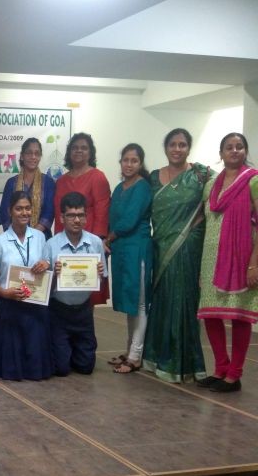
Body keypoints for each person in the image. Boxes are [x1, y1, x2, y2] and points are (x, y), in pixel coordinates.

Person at [142, 128, 211, 383]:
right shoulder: (153, 178)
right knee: (162, 300)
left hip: (188, 246)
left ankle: (184, 363)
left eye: (182, 145)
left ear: (188, 148)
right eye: (173, 144)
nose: (177, 149)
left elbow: (220, 198)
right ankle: (157, 358)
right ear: (166, 147)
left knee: (183, 302)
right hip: (161, 246)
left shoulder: (201, 175)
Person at [196, 133, 258, 393]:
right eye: (229, 147)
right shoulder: (211, 185)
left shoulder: (253, 180)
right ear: (220, 153)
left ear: (245, 151)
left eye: (239, 147)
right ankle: (221, 368)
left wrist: (254, 263)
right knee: (211, 314)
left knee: (239, 315)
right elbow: (205, 221)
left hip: (242, 258)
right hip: (211, 257)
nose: (235, 151)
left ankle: (235, 374)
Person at [0, 191, 52, 381]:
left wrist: (46, 264)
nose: (24, 212)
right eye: (19, 208)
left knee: (36, 369)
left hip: (35, 303)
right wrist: (5, 293)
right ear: (10, 211)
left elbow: (47, 266)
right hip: (9, 305)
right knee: (10, 369)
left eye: (27, 208)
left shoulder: (40, 237)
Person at [44, 192, 107, 376]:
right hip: (59, 311)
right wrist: (55, 275)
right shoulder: (51, 245)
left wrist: (100, 275)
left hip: (83, 311)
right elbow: (44, 287)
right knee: (61, 369)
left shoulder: (95, 243)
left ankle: (72, 347)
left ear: (86, 217)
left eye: (81, 215)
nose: (76, 220)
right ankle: (63, 346)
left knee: (86, 368)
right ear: (62, 218)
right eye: (71, 215)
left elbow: (101, 283)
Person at [106, 144, 152, 374]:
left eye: (134, 160)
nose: (129, 164)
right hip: (121, 250)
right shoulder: (118, 188)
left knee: (141, 303)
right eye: (126, 160)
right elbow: (112, 217)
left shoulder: (143, 187)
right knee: (129, 303)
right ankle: (129, 350)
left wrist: (110, 237)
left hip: (137, 249)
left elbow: (131, 219)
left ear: (140, 164)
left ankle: (136, 356)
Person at [54, 132, 111, 305]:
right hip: (64, 242)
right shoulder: (61, 181)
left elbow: (103, 210)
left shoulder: (97, 177)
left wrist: (99, 241)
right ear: (69, 152)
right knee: (63, 288)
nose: (79, 151)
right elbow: (59, 214)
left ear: (90, 152)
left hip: (89, 243)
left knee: (86, 290)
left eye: (84, 148)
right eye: (75, 147)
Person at [0, 137, 56, 238]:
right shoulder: (11, 183)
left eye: (37, 153)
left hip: (41, 237)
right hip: (14, 238)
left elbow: (49, 213)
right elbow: (5, 213)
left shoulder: (48, 182)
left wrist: (32, 236)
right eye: (29, 153)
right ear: (22, 156)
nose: (33, 157)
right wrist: (17, 235)